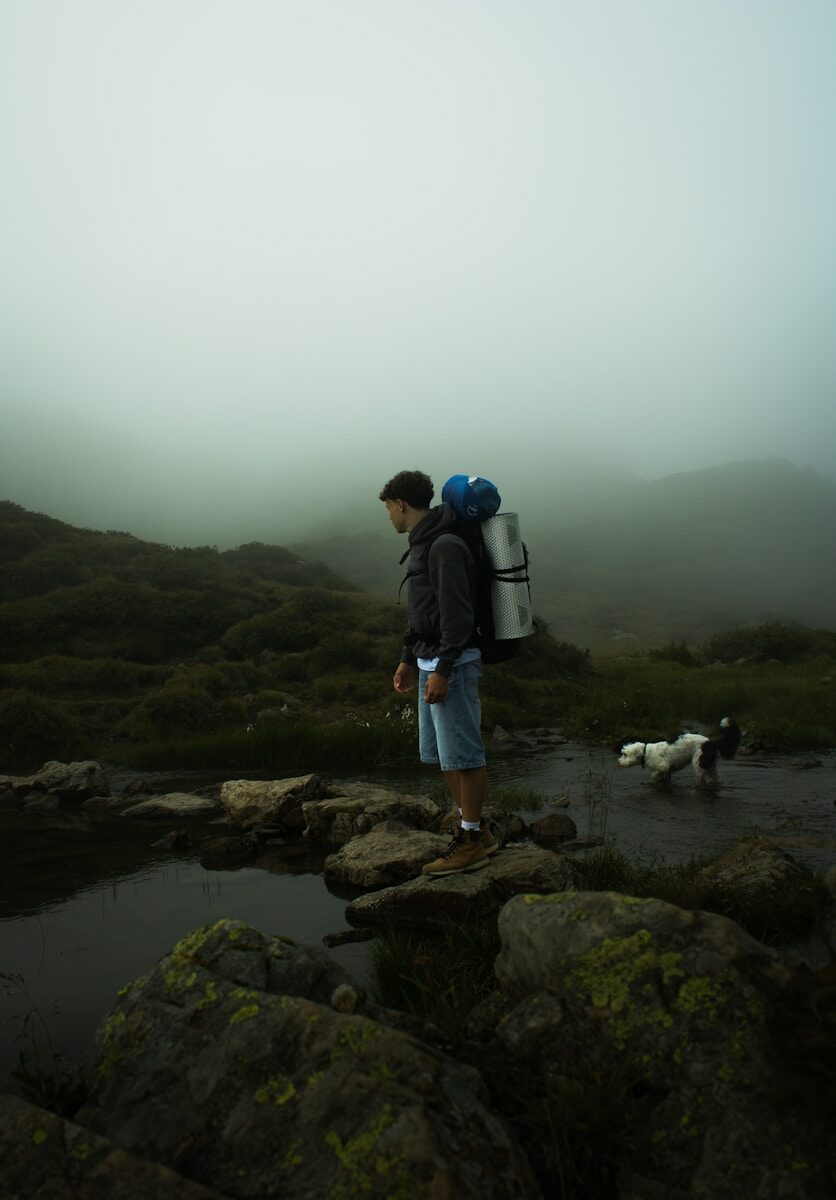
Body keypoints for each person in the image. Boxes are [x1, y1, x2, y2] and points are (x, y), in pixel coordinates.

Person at [379, 469, 496, 875]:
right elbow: (424, 611)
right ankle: (478, 832)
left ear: (400, 504)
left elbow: (457, 616)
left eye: (388, 509)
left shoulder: (443, 544)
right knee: (445, 757)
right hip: (430, 659)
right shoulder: (424, 542)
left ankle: (470, 842)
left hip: (455, 663)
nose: (389, 517)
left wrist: (443, 669)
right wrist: (408, 658)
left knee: (465, 755)